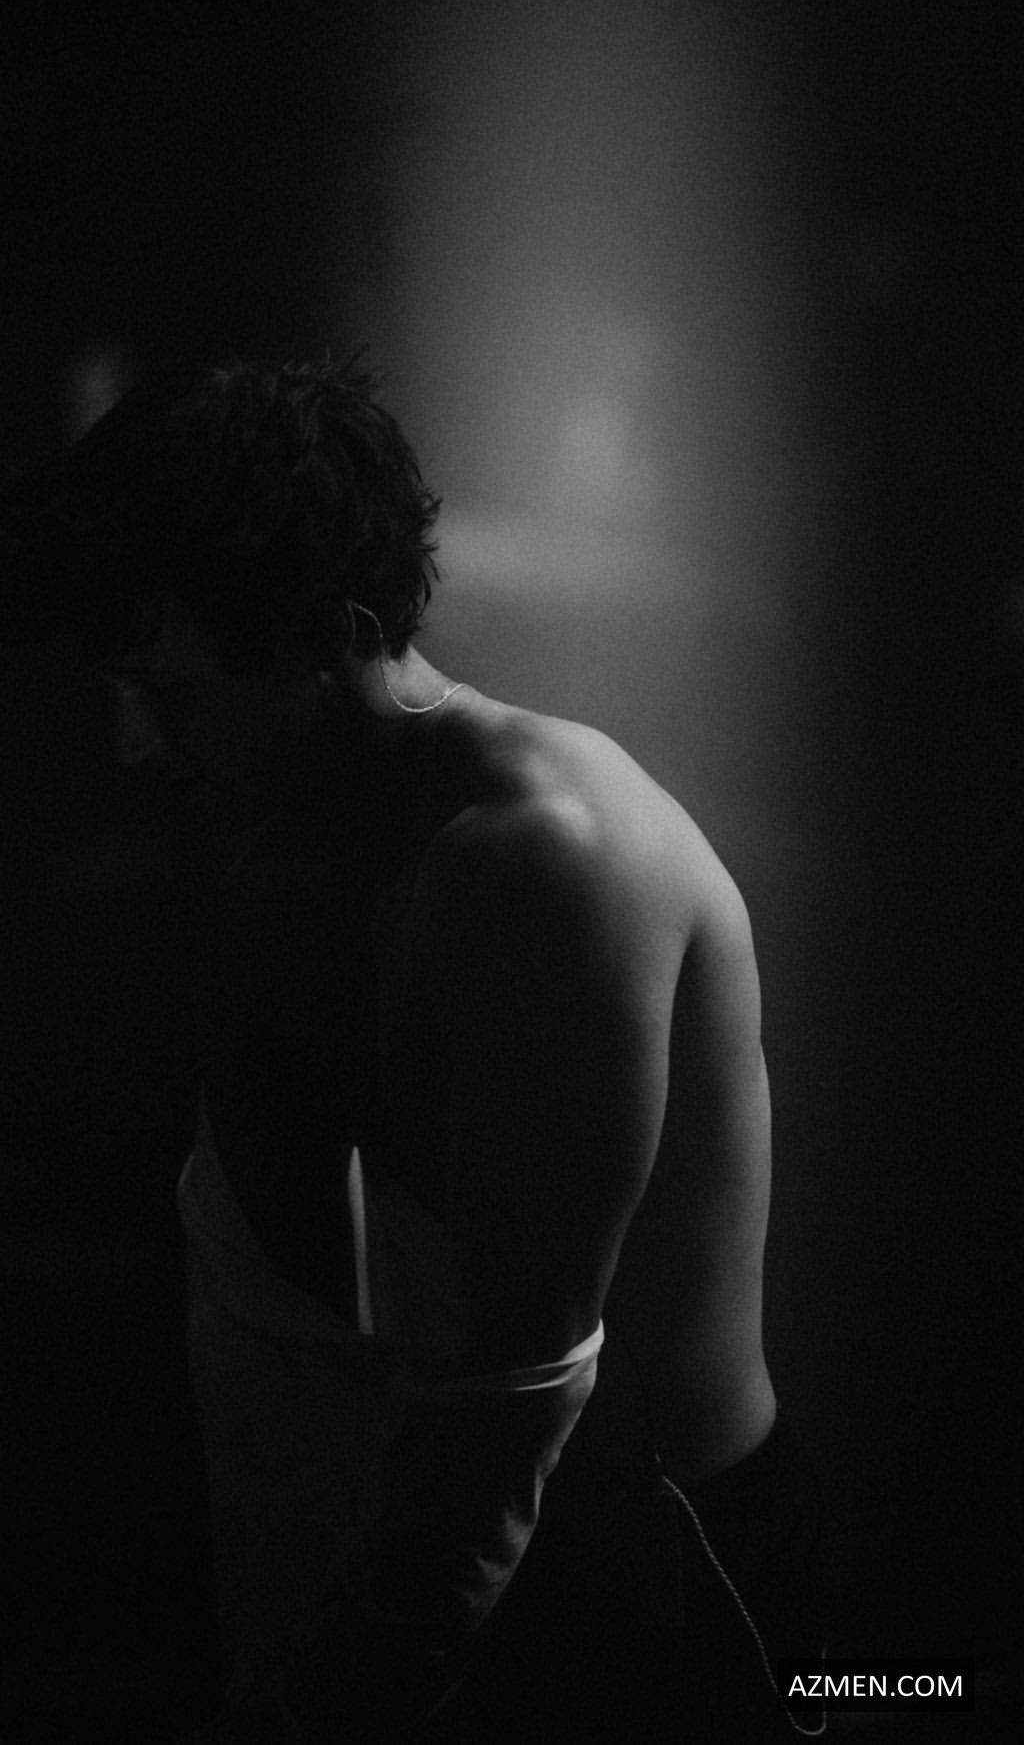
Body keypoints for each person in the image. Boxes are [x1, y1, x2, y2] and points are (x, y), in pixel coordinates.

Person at [2, 358, 826, 1742]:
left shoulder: (548, 863)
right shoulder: (297, 852)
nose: (137, 748)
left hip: (672, 1599)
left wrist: (333, 1709)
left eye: (170, 692)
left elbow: (512, 1399)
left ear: (329, 636)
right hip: (492, 1571)